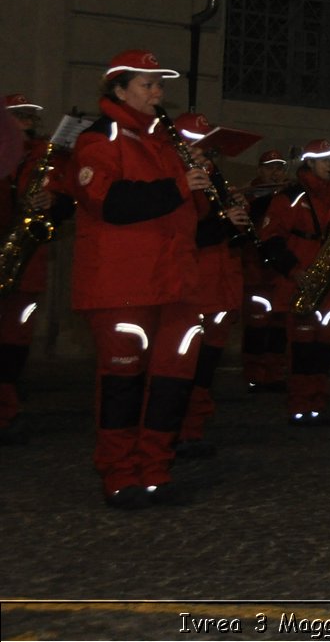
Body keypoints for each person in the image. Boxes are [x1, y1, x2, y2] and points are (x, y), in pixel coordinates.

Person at [69, 50, 213, 507]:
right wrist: (177, 185)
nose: (157, 93)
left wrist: (198, 179)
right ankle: (119, 473)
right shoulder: (100, 137)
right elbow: (108, 201)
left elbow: (193, 215)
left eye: (159, 85)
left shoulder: (164, 141)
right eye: (147, 84)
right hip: (123, 284)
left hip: (175, 283)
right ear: (118, 89)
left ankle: (155, 470)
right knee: (122, 384)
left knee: (172, 382)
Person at [170, 111, 251, 457]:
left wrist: (237, 217)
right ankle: (176, 432)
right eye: (195, 144)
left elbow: (223, 235)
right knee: (187, 365)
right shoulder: (175, 179)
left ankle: (193, 430)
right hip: (193, 285)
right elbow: (184, 233)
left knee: (206, 367)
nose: (203, 151)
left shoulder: (212, 176)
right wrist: (224, 221)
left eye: (205, 145)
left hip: (220, 285)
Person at [268, 138, 330, 425]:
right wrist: (295, 272)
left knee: (324, 349)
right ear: (309, 162)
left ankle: (318, 403)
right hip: (302, 281)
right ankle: (300, 405)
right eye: (325, 160)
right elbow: (271, 240)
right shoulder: (290, 196)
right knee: (302, 350)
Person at [0, 94, 76, 443]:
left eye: (30, 117)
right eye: (19, 116)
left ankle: (7, 409)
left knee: (14, 340)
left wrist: (54, 201)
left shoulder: (48, 155)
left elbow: (70, 200)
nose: (26, 122)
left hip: (25, 260)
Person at [239, 150, 291, 392]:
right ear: (260, 169)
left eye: (279, 167)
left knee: (280, 325)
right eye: (270, 167)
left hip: (279, 271)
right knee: (257, 324)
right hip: (256, 269)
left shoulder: (288, 195)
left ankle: (274, 373)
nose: (275, 171)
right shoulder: (247, 195)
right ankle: (255, 374)